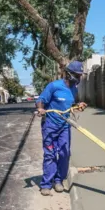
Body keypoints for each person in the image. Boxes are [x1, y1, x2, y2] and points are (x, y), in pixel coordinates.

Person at [36, 61, 87, 196]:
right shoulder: (54, 86)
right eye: (77, 75)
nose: (79, 78)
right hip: (50, 126)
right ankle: (46, 184)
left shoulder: (74, 88)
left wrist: (78, 105)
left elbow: (71, 103)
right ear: (69, 74)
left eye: (80, 75)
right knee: (50, 155)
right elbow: (41, 99)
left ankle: (58, 180)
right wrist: (40, 108)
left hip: (65, 125)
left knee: (65, 154)